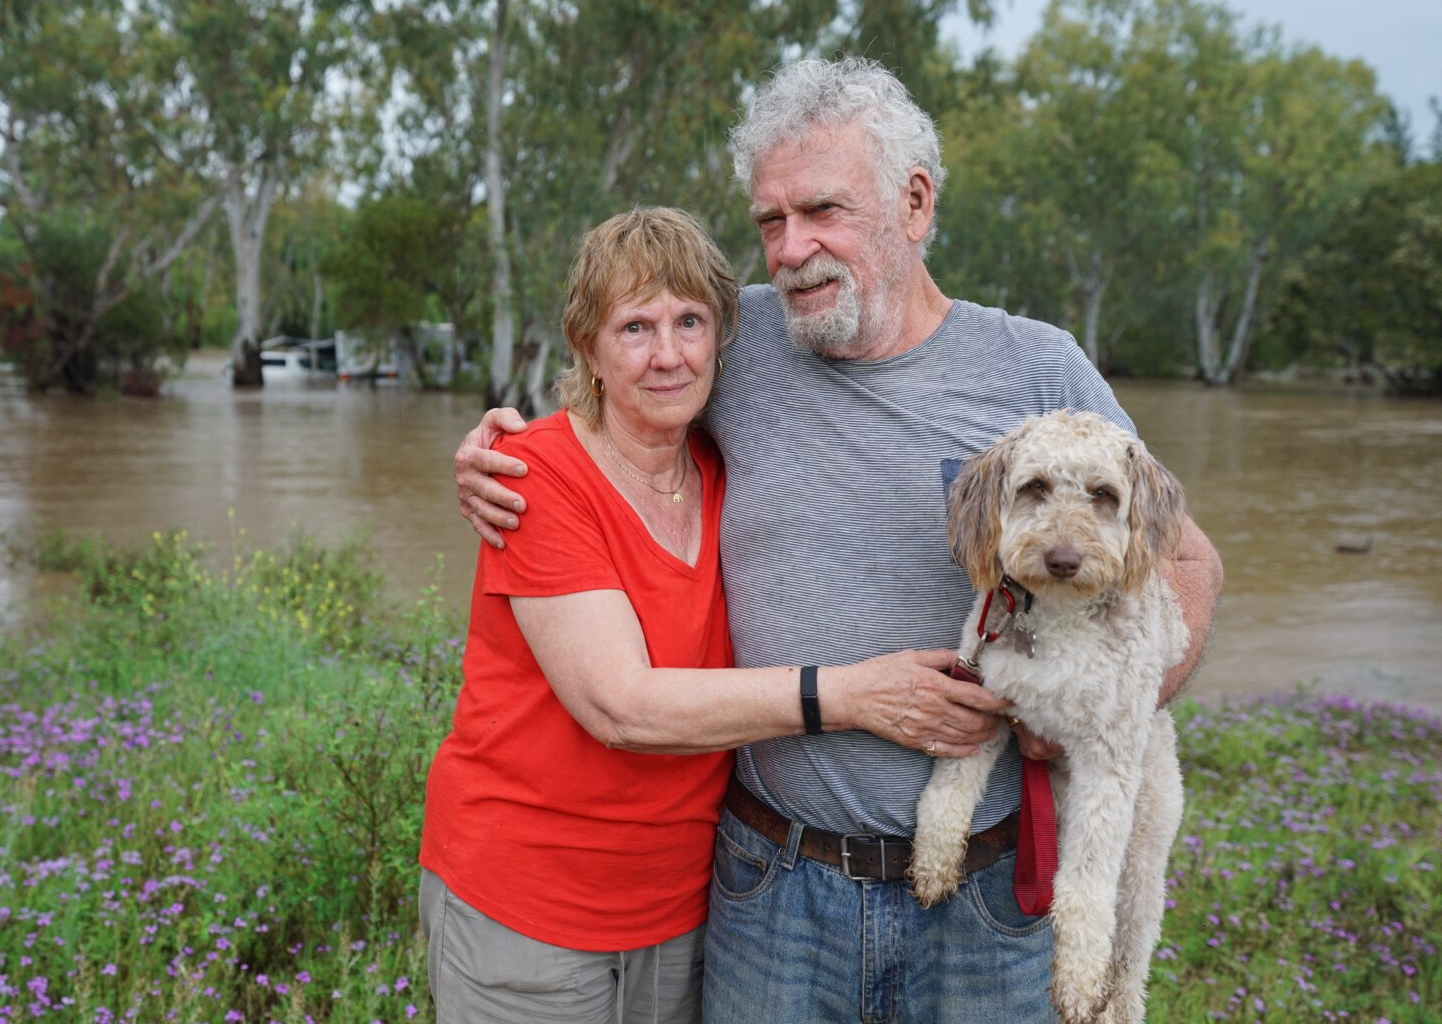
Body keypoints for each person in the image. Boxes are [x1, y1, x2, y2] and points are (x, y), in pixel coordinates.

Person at [455, 59, 1224, 1022]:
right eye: (770, 221)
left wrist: (1116, 703)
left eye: (822, 210)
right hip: (773, 885)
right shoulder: (741, 343)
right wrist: (505, 445)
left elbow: (1187, 558)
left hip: (982, 901)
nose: (791, 249)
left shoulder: (1036, 367)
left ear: (914, 201)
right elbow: (627, 397)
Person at [420, 205, 1008, 1024]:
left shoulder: (720, 468)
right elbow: (618, 705)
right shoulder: (531, 474)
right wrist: (848, 696)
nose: (669, 354)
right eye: (634, 328)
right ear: (586, 347)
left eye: (690, 321)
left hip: (686, 906)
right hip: (530, 908)